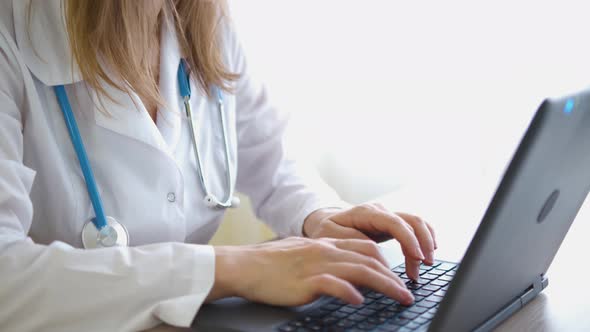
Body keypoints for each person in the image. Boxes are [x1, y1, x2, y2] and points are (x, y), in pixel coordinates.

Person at [0, 0, 437, 330]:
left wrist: (316, 215)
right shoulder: (11, 37)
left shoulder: (201, 19)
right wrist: (225, 269)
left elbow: (272, 159)